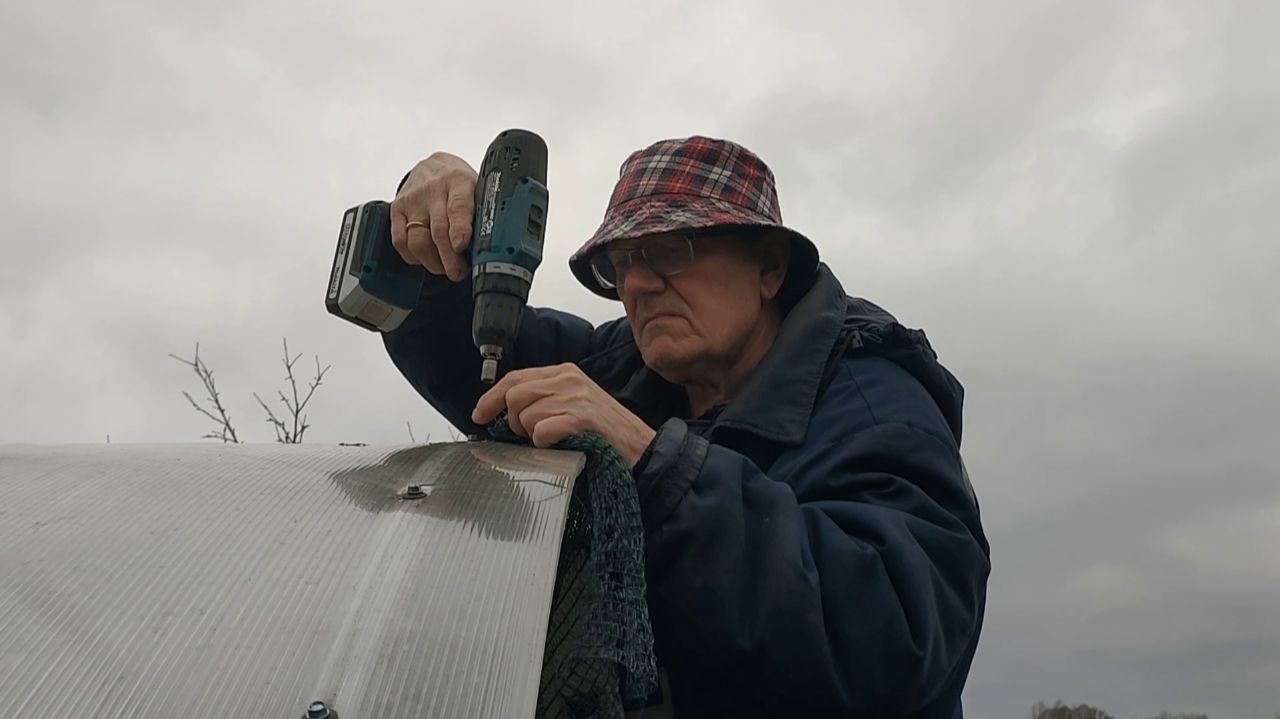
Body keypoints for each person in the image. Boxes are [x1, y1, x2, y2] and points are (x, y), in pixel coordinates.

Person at [381, 135, 990, 718]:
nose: (637, 284)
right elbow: (474, 356)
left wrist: (656, 468)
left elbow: (894, 640)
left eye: (673, 251)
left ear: (769, 268)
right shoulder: (622, 368)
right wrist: (430, 241)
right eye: (621, 263)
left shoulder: (875, 402)